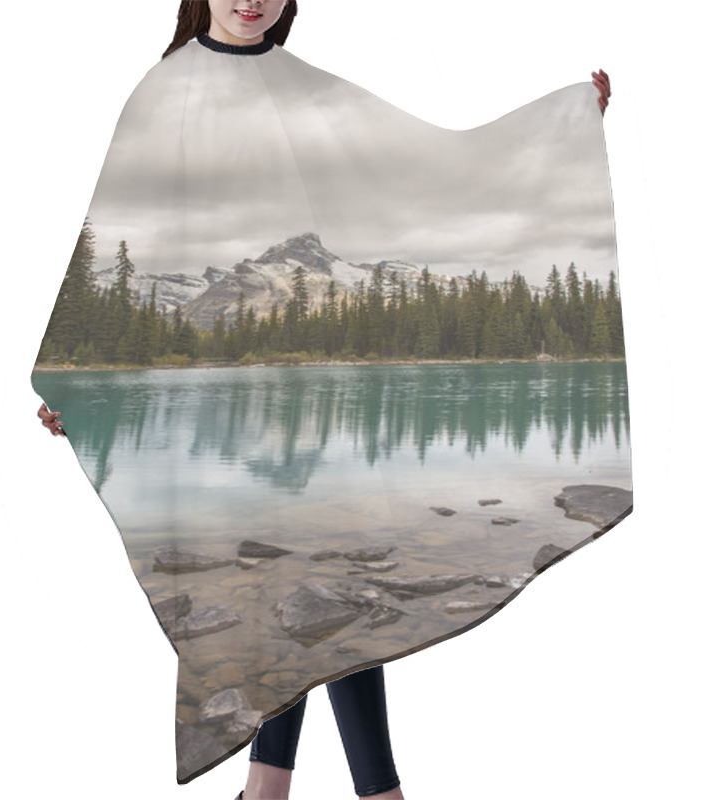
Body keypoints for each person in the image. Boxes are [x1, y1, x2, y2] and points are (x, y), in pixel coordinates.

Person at [37, 2, 612, 798]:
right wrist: (72, 382)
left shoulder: (307, 89)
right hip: (236, 419)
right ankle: (360, 792)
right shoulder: (164, 91)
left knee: (323, 585)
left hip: (307, 401)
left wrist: (562, 131)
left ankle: (276, 789)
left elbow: (422, 171)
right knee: (304, 591)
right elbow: (123, 229)